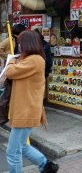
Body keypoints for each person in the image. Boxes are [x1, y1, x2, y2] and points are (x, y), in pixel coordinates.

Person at [5, 30, 59, 173]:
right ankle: (45, 165)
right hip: (26, 109)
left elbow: (9, 72)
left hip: (26, 111)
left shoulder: (34, 60)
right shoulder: (31, 59)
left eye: (21, 43)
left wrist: (12, 60)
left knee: (12, 151)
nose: (19, 46)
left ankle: (45, 165)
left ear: (27, 44)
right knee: (21, 147)